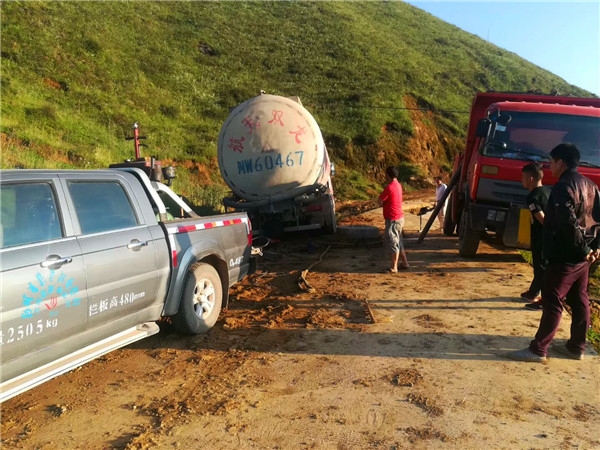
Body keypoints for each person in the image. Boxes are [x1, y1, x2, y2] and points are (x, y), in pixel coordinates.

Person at [508, 143, 600, 362]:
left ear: (561, 162)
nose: (550, 167)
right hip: (583, 258)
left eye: (551, 162)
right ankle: (576, 347)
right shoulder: (591, 186)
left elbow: (567, 223)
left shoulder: (563, 186)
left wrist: (585, 247)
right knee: (579, 300)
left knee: (552, 300)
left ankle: (538, 349)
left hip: (564, 255)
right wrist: (594, 247)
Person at [519, 163, 551, 310]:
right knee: (541, 267)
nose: (521, 180)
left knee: (541, 268)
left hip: (541, 237)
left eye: (523, 177)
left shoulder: (532, 197)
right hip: (550, 237)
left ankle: (546, 300)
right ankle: (532, 293)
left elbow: (542, 219)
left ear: (531, 178)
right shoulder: (548, 191)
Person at [378, 166, 409, 273]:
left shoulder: (390, 187)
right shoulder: (398, 185)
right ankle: (405, 263)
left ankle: (394, 267)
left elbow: (379, 201)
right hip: (399, 218)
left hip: (393, 219)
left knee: (393, 242)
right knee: (399, 242)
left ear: (388, 175)